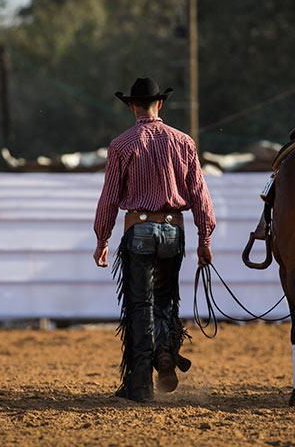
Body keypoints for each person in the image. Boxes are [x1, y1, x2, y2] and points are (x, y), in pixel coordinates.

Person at [93, 77, 216, 402]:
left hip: (139, 231)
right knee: (166, 300)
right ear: (159, 104)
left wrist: (102, 238)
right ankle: (164, 351)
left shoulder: (121, 144)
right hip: (174, 231)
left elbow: (109, 198)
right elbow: (200, 194)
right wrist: (205, 236)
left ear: (132, 106)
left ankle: (142, 385)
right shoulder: (184, 142)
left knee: (139, 305)